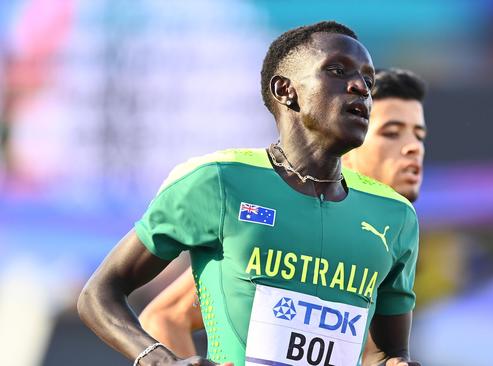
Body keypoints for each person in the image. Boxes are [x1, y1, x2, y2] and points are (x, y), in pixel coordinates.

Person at [78, 21, 421, 366]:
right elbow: (99, 295)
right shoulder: (218, 181)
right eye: (337, 70)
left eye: (368, 81)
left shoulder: (394, 216)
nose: (360, 87)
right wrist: (159, 360)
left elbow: (386, 353)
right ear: (286, 90)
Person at [138, 68, 428, 364]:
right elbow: (164, 317)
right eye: (390, 132)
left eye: (419, 134)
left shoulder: (395, 231)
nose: (412, 147)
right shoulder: (284, 232)